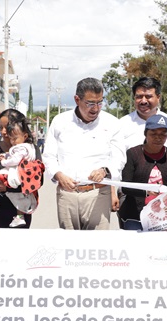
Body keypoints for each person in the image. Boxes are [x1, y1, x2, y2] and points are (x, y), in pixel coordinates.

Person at [42, 77, 124, 230]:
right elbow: (49, 156)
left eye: (100, 102)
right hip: (67, 194)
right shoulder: (60, 122)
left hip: (98, 194)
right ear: (77, 99)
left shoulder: (112, 123)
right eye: (90, 103)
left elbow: (119, 157)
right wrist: (58, 175)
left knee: (97, 248)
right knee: (68, 247)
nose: (96, 109)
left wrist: (105, 170)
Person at [0, 109, 42, 228]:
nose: (3, 132)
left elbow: (38, 181)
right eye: (1, 128)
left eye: (7, 127)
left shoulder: (30, 150)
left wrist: (7, 188)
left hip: (20, 209)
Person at [119, 114, 167, 230]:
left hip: (164, 218)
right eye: (153, 134)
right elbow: (125, 187)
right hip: (135, 216)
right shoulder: (133, 154)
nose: (158, 138)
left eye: (163, 134)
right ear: (145, 134)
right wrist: (147, 191)